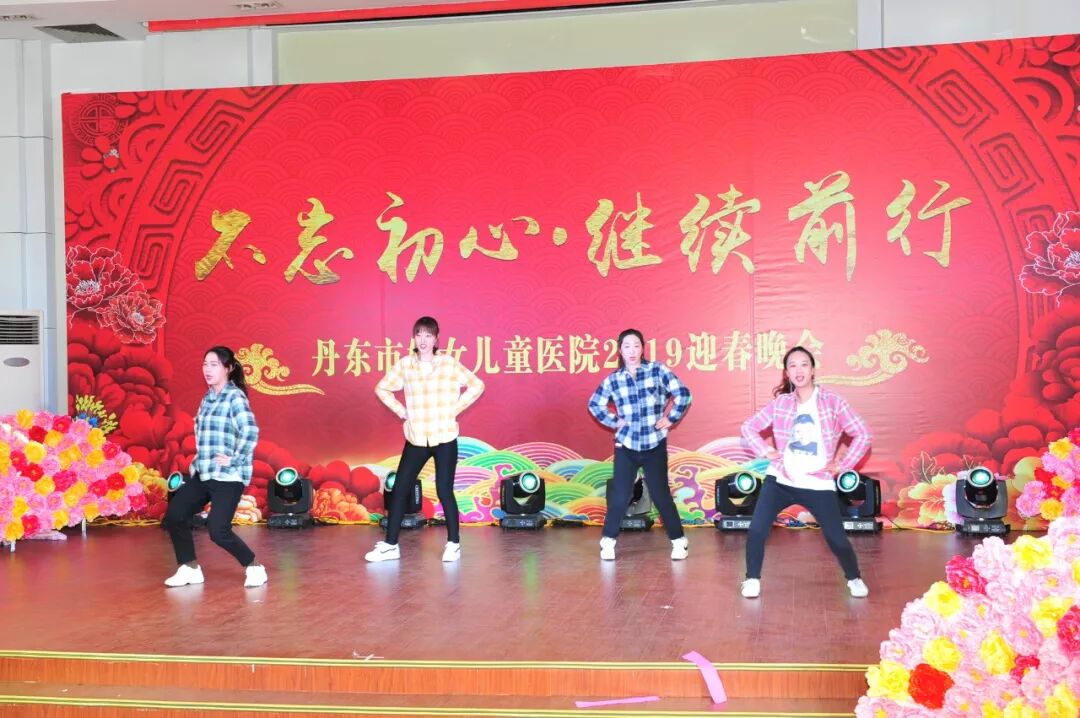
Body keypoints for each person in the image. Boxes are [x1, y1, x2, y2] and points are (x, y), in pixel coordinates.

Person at [739, 346, 871, 599]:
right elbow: (749, 427)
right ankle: (752, 579)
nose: (798, 370)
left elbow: (863, 434)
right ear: (787, 373)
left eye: (803, 364)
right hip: (781, 478)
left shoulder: (833, 402)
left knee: (837, 539)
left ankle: (854, 578)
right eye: (792, 365)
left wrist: (843, 464)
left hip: (817, 482)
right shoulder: (781, 403)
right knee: (757, 530)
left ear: (812, 370)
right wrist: (766, 451)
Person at [366, 316, 484, 563]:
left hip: (444, 436)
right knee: (400, 489)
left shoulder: (448, 364)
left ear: (436, 339)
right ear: (413, 338)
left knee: (444, 490)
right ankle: (390, 545)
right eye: (419, 334)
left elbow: (477, 385)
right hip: (417, 437)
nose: (423, 340)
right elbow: (382, 388)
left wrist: (454, 409)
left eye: (428, 335)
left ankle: (453, 544)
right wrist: (402, 412)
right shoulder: (406, 365)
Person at [164, 346, 266, 588]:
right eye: (205, 364)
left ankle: (254, 566)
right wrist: (198, 463)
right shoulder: (207, 398)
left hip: (228, 477)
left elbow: (250, 431)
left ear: (228, 368)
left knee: (217, 530)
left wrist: (235, 459)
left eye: (214, 365)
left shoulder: (235, 397)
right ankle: (189, 568)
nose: (207, 370)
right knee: (175, 515)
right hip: (205, 473)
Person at [587, 328, 692, 561]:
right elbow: (594, 404)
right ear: (620, 351)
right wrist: (615, 421)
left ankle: (678, 541)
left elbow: (683, 394)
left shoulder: (657, 370)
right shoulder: (614, 379)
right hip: (626, 445)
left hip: (654, 444)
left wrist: (670, 418)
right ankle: (608, 541)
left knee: (660, 494)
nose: (632, 351)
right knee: (620, 495)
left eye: (636, 345)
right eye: (627, 346)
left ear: (643, 348)